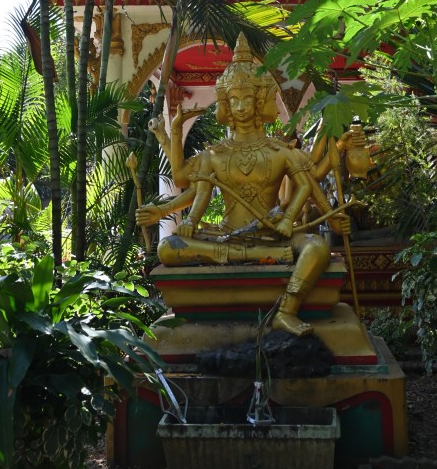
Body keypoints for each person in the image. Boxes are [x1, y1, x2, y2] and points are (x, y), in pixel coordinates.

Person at [136, 33, 349, 337]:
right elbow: (197, 193)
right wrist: (178, 217)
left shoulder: (279, 151)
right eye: (233, 100)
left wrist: (306, 217)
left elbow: (307, 185)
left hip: (273, 237)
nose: (240, 106)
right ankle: (247, 258)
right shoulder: (215, 155)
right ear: (224, 102)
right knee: (168, 248)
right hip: (227, 237)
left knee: (317, 247)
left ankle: (286, 310)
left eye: (247, 99)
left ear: (260, 100)